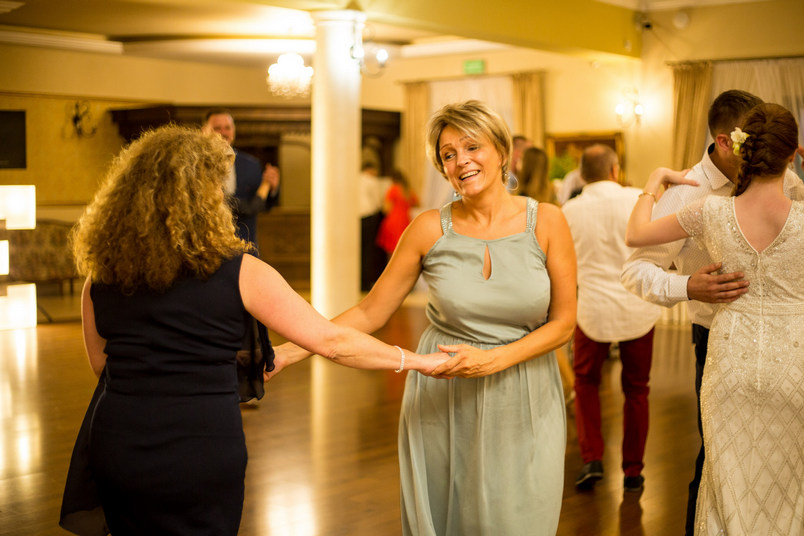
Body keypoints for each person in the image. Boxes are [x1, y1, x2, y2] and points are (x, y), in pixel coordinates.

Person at [58, 125, 447, 536]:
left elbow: (101, 366)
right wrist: (417, 361)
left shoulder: (100, 278)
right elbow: (333, 342)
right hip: (200, 447)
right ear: (201, 196)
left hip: (118, 441)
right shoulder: (242, 272)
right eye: (216, 186)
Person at [271, 100, 577, 535]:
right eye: (448, 154)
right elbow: (369, 312)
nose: (461, 161)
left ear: (502, 151)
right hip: (443, 394)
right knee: (448, 516)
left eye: (472, 147)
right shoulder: (428, 228)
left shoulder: (547, 222)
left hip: (524, 392)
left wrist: (494, 360)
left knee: (520, 516)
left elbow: (563, 323)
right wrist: (289, 351)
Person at [620, 89, 804, 535]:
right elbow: (635, 266)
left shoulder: (727, 206)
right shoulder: (691, 192)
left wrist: (651, 180)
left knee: (750, 471)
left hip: (752, 350)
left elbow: (634, 232)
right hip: (745, 346)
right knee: (727, 466)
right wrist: (687, 286)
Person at [562, 144, 661, 493]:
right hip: (637, 305)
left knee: (585, 383)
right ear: (615, 170)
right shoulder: (638, 199)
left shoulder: (569, 210)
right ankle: (633, 471)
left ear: (582, 175)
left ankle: (592, 458)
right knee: (637, 389)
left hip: (592, 308)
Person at [202, 108, 280, 246]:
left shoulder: (252, 164)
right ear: (204, 131)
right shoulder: (198, 165)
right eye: (217, 128)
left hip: (246, 245)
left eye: (227, 128)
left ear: (234, 130)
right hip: (210, 245)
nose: (223, 133)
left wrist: (272, 187)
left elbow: (265, 206)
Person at [359, 161, 391, 290]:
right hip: (369, 216)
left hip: (354, 218)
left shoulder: (354, 179)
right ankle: (367, 281)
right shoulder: (371, 181)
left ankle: (358, 280)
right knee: (369, 250)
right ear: (371, 170)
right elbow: (378, 202)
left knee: (358, 250)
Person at [376, 168, 419, 258]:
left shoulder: (392, 189)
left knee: (391, 255)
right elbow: (417, 204)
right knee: (402, 252)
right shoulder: (408, 190)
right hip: (405, 223)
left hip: (393, 223)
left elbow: (386, 209)